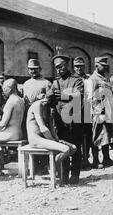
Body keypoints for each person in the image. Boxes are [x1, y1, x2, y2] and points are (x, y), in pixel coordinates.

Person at [49, 55, 84, 184]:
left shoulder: (77, 80)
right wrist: (47, 97)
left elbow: (79, 94)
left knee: (76, 149)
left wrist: (63, 95)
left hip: (75, 120)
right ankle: (64, 176)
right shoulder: (55, 82)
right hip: (61, 122)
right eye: (56, 68)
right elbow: (49, 97)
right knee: (63, 147)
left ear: (67, 65)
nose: (59, 70)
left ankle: (75, 176)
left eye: (61, 66)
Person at [88, 56, 113, 168]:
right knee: (100, 137)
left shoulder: (105, 78)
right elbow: (90, 97)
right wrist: (98, 112)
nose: (105, 68)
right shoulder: (93, 79)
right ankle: (98, 161)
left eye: (106, 66)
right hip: (101, 114)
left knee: (109, 135)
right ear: (96, 66)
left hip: (109, 113)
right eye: (103, 66)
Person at [26, 89, 77, 170]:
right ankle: (52, 167)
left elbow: (51, 127)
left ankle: (52, 165)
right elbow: (43, 129)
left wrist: (56, 139)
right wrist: (53, 140)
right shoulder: (37, 105)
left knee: (73, 148)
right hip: (35, 139)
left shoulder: (47, 107)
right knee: (66, 149)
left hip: (44, 138)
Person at [73, 56, 96, 170]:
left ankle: (86, 158)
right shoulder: (72, 79)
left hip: (88, 109)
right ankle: (79, 160)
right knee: (77, 136)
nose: (78, 68)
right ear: (74, 67)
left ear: (84, 67)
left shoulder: (89, 78)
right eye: (76, 66)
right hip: (75, 111)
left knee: (88, 135)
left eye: (81, 66)